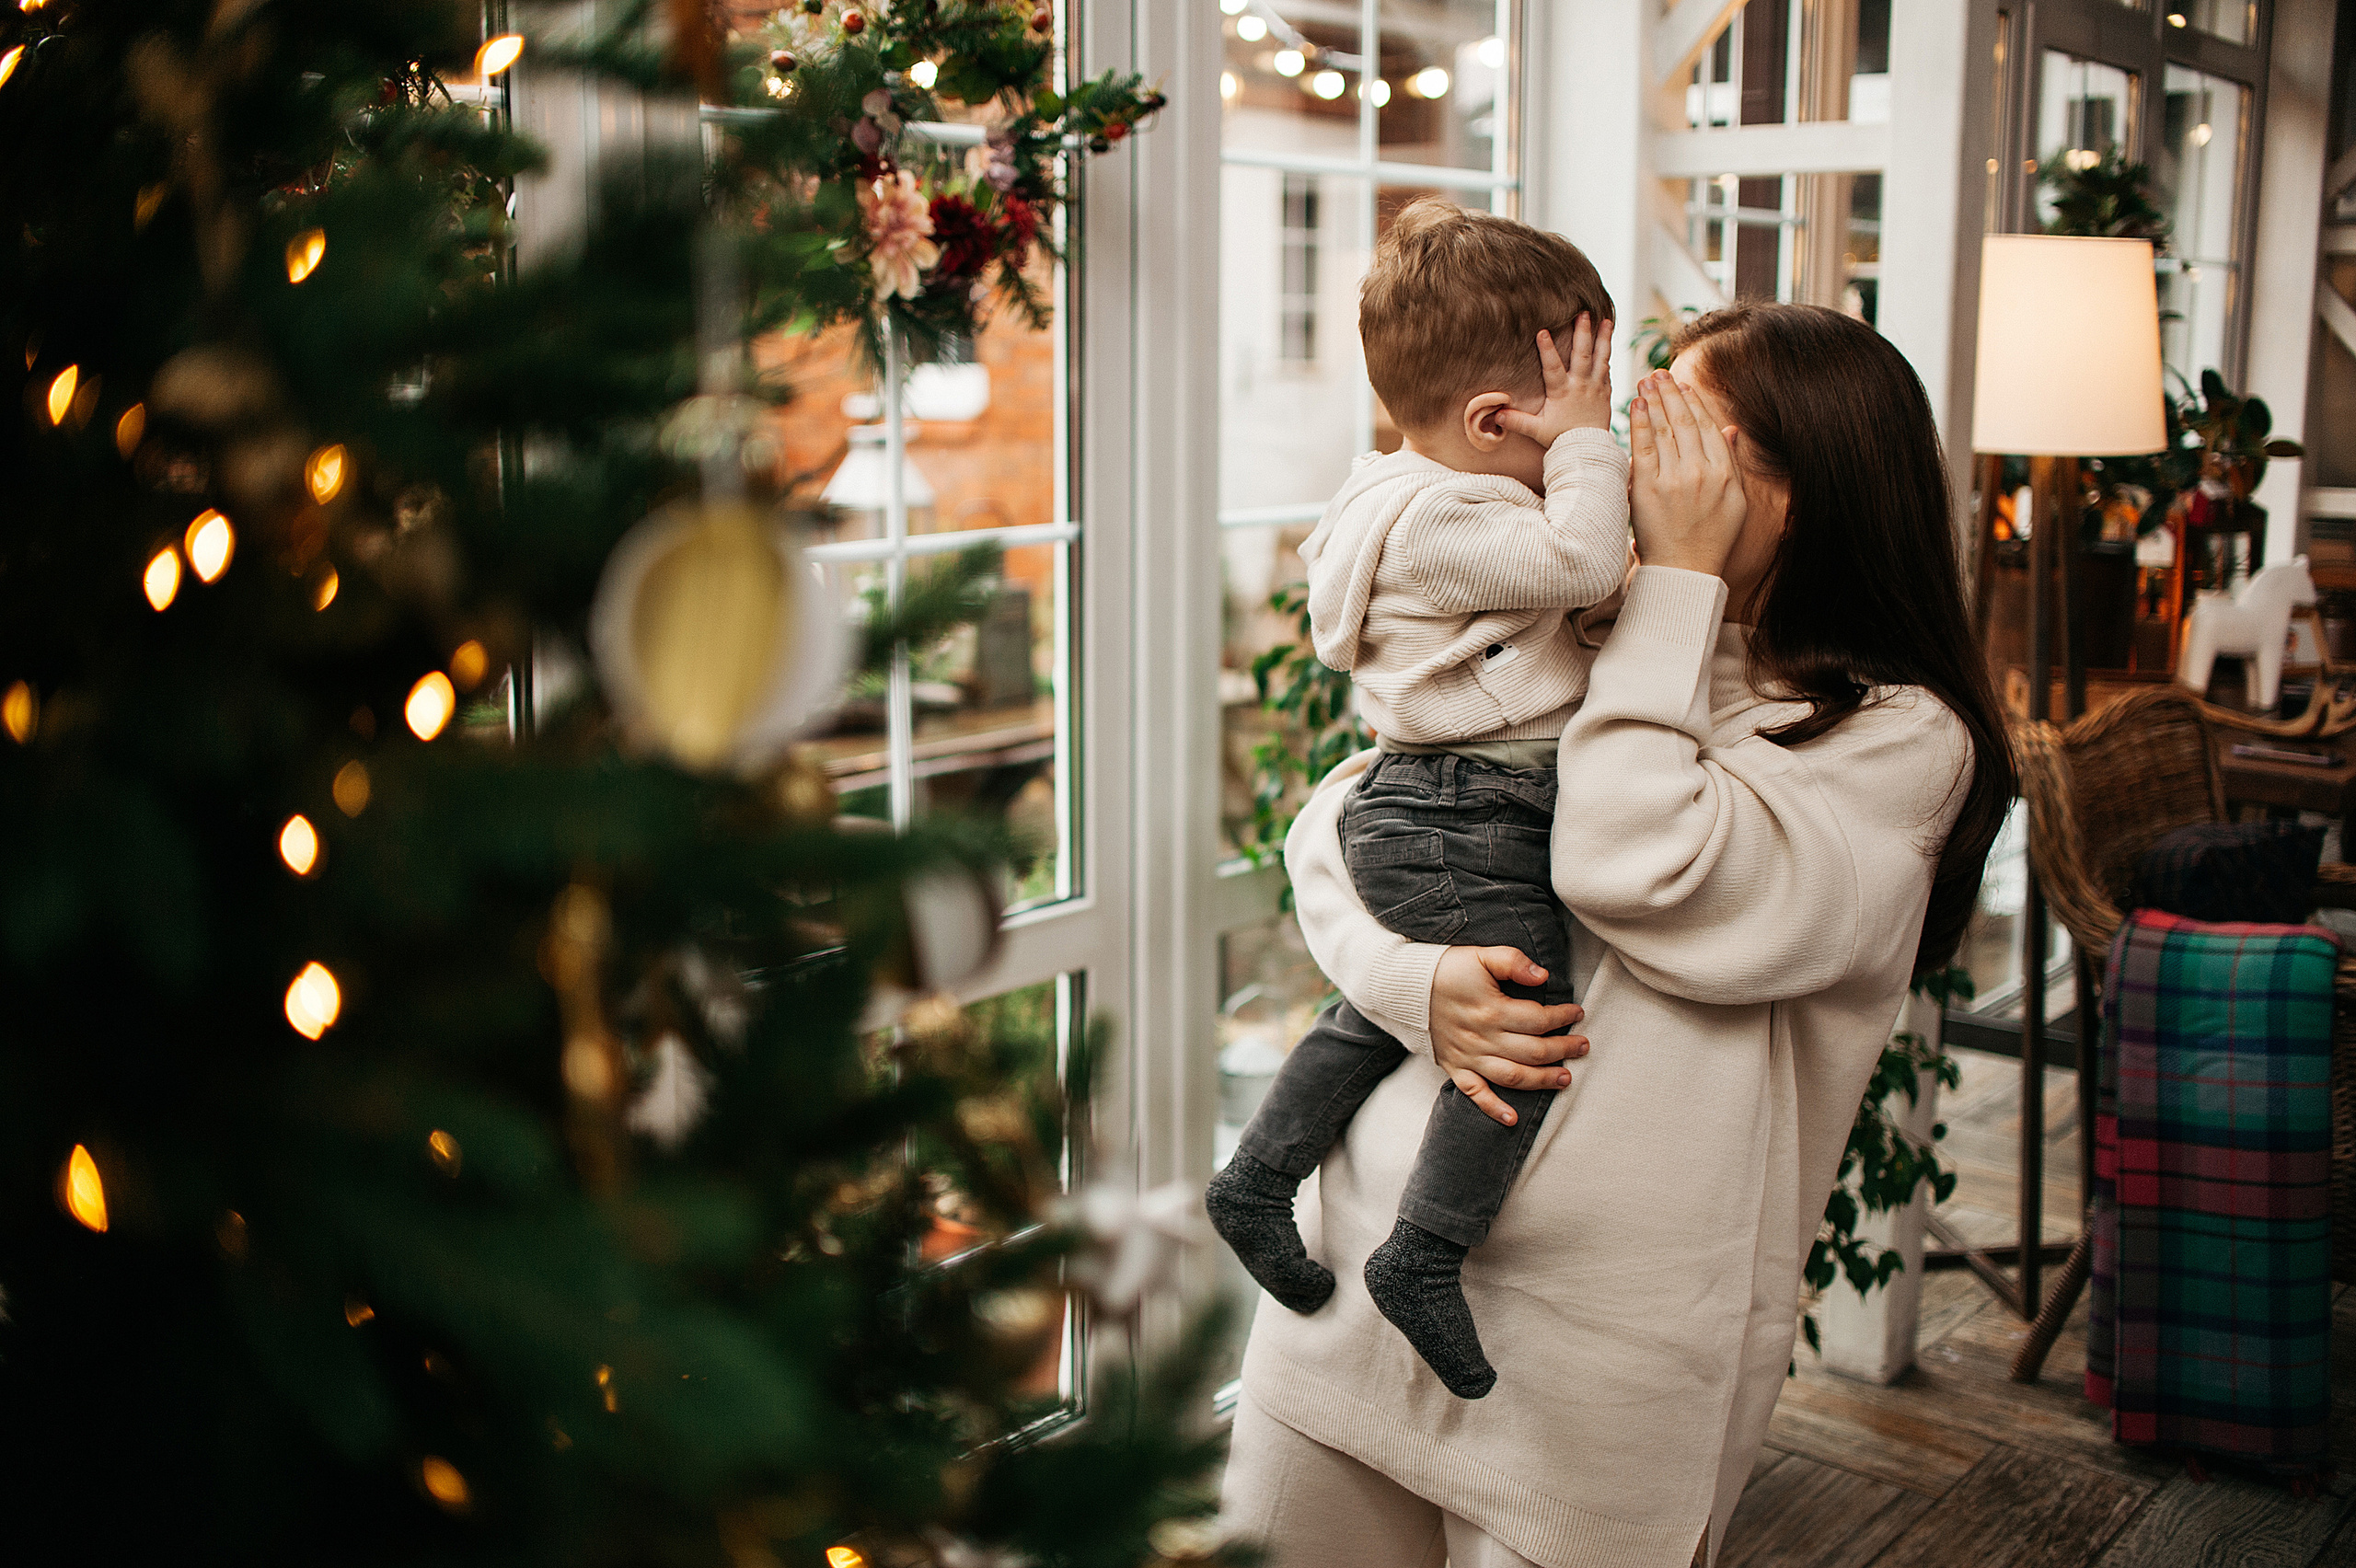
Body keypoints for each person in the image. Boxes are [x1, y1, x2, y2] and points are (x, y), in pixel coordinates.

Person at [1218, 302, 2015, 1568]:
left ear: (1800, 493)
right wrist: (1407, 982)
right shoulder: (1606, 629)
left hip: (1597, 1368)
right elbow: (1347, 818)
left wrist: (1679, 590)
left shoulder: (1900, 737)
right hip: (1356, 1277)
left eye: (1679, 427)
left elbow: (1628, 859)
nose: (1627, 452)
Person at [1206, 200, 1630, 1401]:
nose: (1591, 451)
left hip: (1433, 805)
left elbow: (1552, 602)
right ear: (1495, 425)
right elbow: (1588, 563)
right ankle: (1426, 1252)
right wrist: (1593, 459)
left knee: (1375, 1017)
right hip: (1464, 810)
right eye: (1574, 426)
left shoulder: (1407, 493)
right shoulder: (1446, 518)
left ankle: (1254, 1177)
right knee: (1526, 1015)